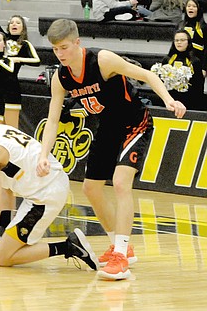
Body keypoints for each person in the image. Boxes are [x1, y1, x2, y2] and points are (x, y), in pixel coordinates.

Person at [39, 19, 186, 280]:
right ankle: (121, 247)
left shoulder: (102, 60)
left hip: (134, 122)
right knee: (90, 188)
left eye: (64, 48)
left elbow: (147, 75)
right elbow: (52, 120)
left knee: (120, 183)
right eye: (55, 50)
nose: (60, 54)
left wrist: (169, 99)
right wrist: (43, 155)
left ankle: (120, 256)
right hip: (107, 127)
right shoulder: (60, 78)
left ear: (77, 42)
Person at [0, 103, 98, 272]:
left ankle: (69, 246)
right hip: (49, 185)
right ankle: (2, 240)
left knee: (1, 258)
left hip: (46, 195)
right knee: (4, 236)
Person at [0, 0, 40, 128]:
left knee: (11, 127)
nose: (14, 24)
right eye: (11, 23)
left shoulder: (24, 44)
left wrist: (19, 59)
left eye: (17, 23)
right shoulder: (3, 40)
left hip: (11, 87)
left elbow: (37, 61)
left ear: (23, 28)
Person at [156, 30, 206, 111]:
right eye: (177, 40)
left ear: (188, 42)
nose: (179, 42)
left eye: (182, 40)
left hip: (189, 102)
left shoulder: (195, 61)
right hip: (170, 101)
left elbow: (199, 86)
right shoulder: (167, 59)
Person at [178, 0, 207, 74]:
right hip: (181, 63)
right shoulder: (180, 25)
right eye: (189, 6)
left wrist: (204, 68)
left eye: (194, 6)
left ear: (198, 9)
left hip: (197, 63)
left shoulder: (203, 27)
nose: (191, 8)